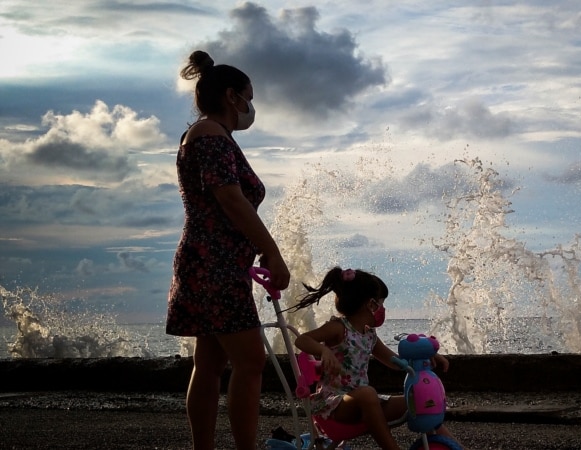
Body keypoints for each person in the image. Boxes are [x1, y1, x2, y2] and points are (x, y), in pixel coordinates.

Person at [167, 50, 291, 450]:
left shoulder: (208, 135)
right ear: (233, 96)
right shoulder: (210, 136)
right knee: (251, 361)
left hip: (210, 261)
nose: (251, 107)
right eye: (249, 97)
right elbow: (232, 199)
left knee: (211, 364)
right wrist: (271, 252)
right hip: (214, 263)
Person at [293, 267, 461, 450]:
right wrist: (323, 351)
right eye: (382, 303)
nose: (383, 309)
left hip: (365, 401)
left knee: (419, 401)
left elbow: (396, 362)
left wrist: (425, 355)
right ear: (371, 304)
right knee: (367, 393)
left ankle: (454, 447)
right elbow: (302, 340)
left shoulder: (370, 335)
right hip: (334, 405)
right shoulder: (338, 328)